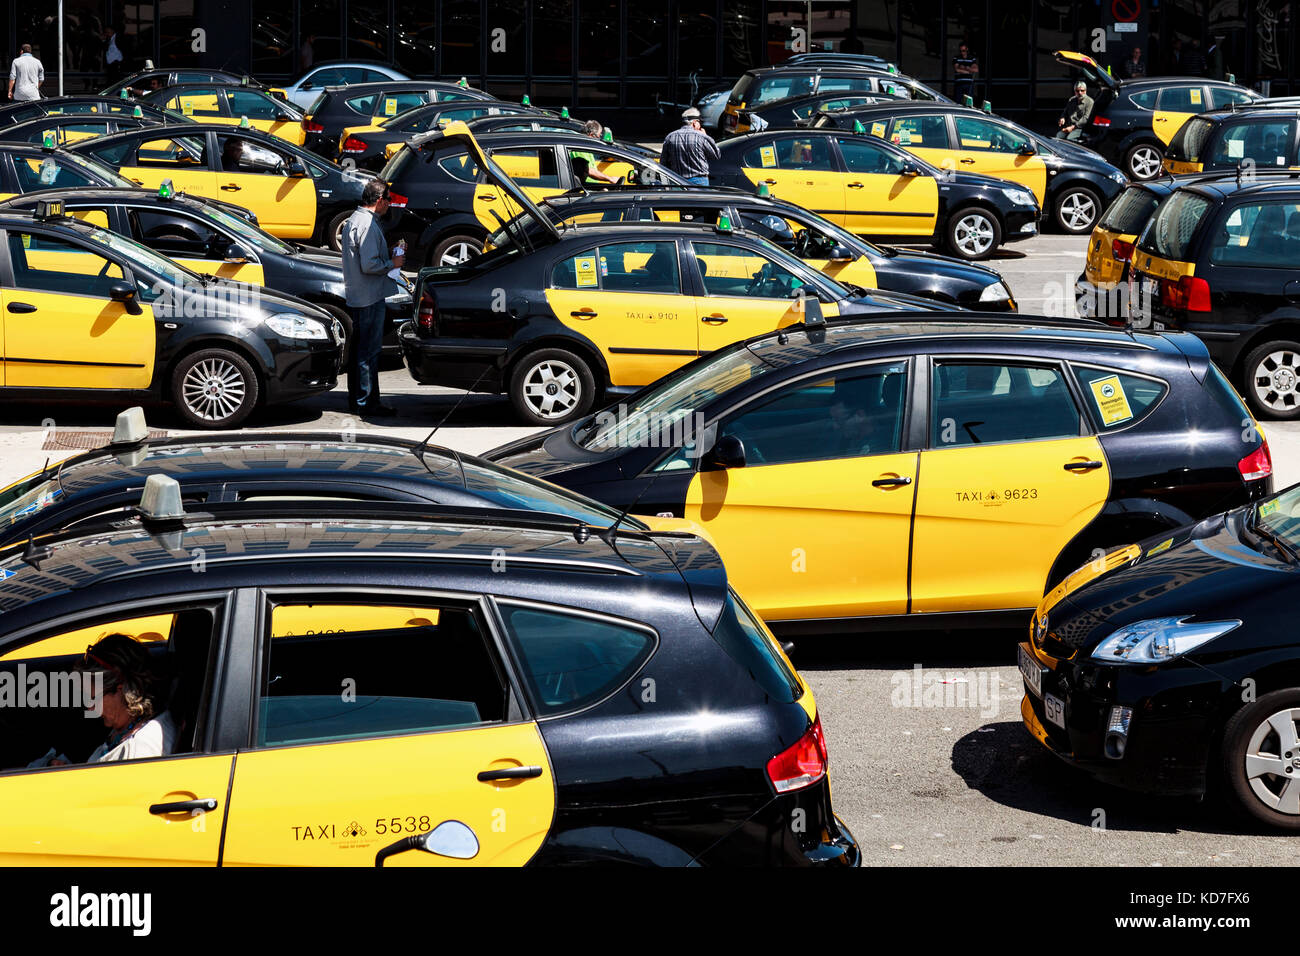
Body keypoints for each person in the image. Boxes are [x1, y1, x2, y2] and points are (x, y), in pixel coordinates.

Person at [32, 635, 176, 767]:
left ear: (121, 690)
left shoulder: (138, 752)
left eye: (93, 698)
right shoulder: (126, 727)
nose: (90, 708)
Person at [341, 178, 403, 417]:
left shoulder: (357, 219)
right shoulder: (366, 223)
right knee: (368, 351)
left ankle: (359, 400)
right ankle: (367, 403)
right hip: (368, 296)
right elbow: (369, 265)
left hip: (361, 294)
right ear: (379, 201)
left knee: (361, 351)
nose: (390, 204)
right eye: (388, 200)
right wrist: (392, 263)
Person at [660, 107, 720, 186]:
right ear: (695, 123)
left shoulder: (670, 137)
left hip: (676, 181)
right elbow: (716, 155)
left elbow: (663, 162)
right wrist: (706, 136)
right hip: (699, 181)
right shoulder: (701, 137)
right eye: (699, 122)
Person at [569, 120, 620, 185]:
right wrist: (610, 179)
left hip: (589, 185)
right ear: (591, 135)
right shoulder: (581, 148)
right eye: (598, 136)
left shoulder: (586, 146)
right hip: (586, 186)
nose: (599, 139)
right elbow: (589, 171)